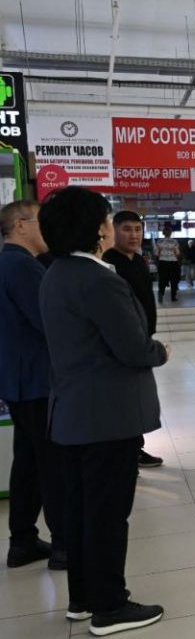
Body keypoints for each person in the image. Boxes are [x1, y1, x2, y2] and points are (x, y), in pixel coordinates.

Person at [38, 187, 169, 635]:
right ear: (98, 229)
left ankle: (82, 597)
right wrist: (159, 351)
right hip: (107, 415)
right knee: (108, 514)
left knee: (81, 509)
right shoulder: (99, 280)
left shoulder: (57, 273)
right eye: (109, 220)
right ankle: (110, 606)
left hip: (73, 411)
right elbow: (132, 347)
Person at [0, 200, 65, 570]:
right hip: (38, 380)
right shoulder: (24, 266)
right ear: (20, 225)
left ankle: (22, 540)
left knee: (27, 461)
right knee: (52, 463)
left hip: (16, 380)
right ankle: (64, 545)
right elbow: (48, 322)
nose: (46, 230)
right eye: (40, 222)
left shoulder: (6, 263)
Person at [102, 211, 165, 469]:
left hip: (142, 336)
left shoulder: (139, 260)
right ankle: (127, 452)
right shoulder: (107, 262)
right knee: (124, 397)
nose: (134, 235)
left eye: (138, 229)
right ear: (113, 230)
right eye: (127, 229)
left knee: (137, 396)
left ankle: (135, 448)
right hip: (122, 340)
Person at [154, 224, 181, 303]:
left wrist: (162, 254)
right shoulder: (174, 241)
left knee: (162, 279)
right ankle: (173, 297)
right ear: (171, 233)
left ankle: (161, 293)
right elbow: (177, 253)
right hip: (173, 262)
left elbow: (156, 254)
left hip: (163, 262)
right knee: (174, 280)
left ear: (163, 233)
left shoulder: (159, 241)